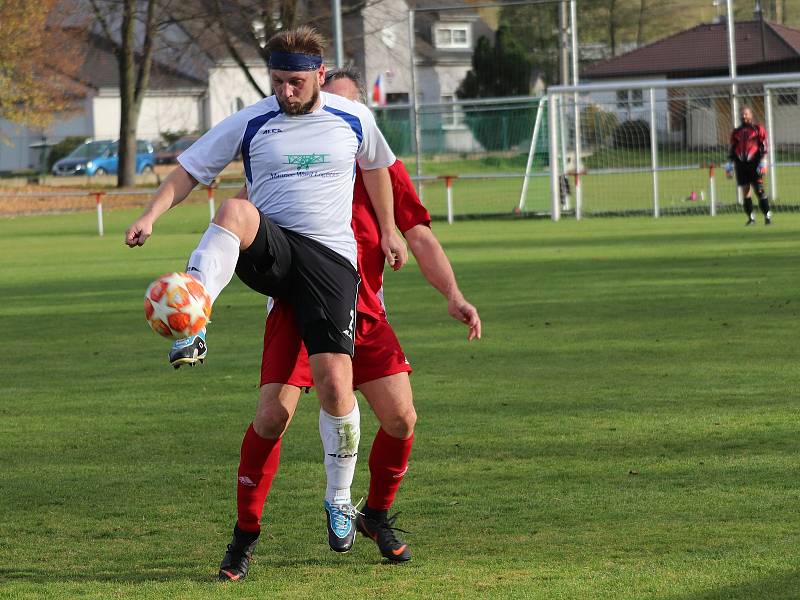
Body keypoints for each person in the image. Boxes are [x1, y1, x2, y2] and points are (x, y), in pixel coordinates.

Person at [123, 26, 407, 568]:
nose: (286, 92)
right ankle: (195, 315)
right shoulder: (254, 119)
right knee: (233, 210)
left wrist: (389, 230)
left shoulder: (353, 118)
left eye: (296, 82)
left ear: (320, 74)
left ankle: (339, 500)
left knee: (332, 389)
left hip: (331, 264)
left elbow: (377, 170)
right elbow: (189, 170)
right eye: (278, 81)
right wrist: (150, 215)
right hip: (276, 249)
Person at [217, 67, 481, 581]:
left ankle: (375, 516)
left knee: (402, 418)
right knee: (272, 417)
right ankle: (244, 537)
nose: (334, 117)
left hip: (364, 309)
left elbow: (419, 235)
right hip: (299, 304)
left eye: (348, 108)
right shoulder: (292, 159)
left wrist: (453, 294)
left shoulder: (380, 169)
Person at [725, 105, 771, 226]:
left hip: (755, 164)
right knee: (746, 192)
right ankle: (751, 219)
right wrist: (729, 164)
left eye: (746, 113)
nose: (744, 116)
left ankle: (767, 217)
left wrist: (763, 161)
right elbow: (732, 149)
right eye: (742, 114)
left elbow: (764, 145)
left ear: (751, 115)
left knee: (759, 190)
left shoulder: (757, 129)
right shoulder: (736, 132)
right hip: (741, 165)